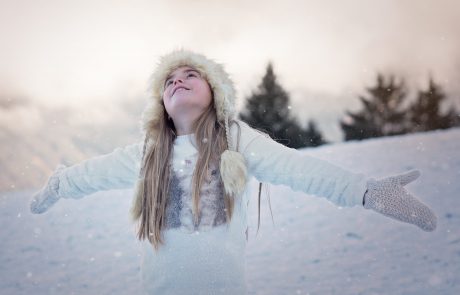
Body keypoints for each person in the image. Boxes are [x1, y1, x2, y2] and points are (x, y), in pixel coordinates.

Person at [29, 49, 437, 295]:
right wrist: (61, 182)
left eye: (191, 75)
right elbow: (94, 173)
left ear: (215, 93)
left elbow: (297, 168)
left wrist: (366, 190)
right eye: (169, 80)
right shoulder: (149, 155)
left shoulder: (237, 141)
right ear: (161, 103)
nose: (179, 81)